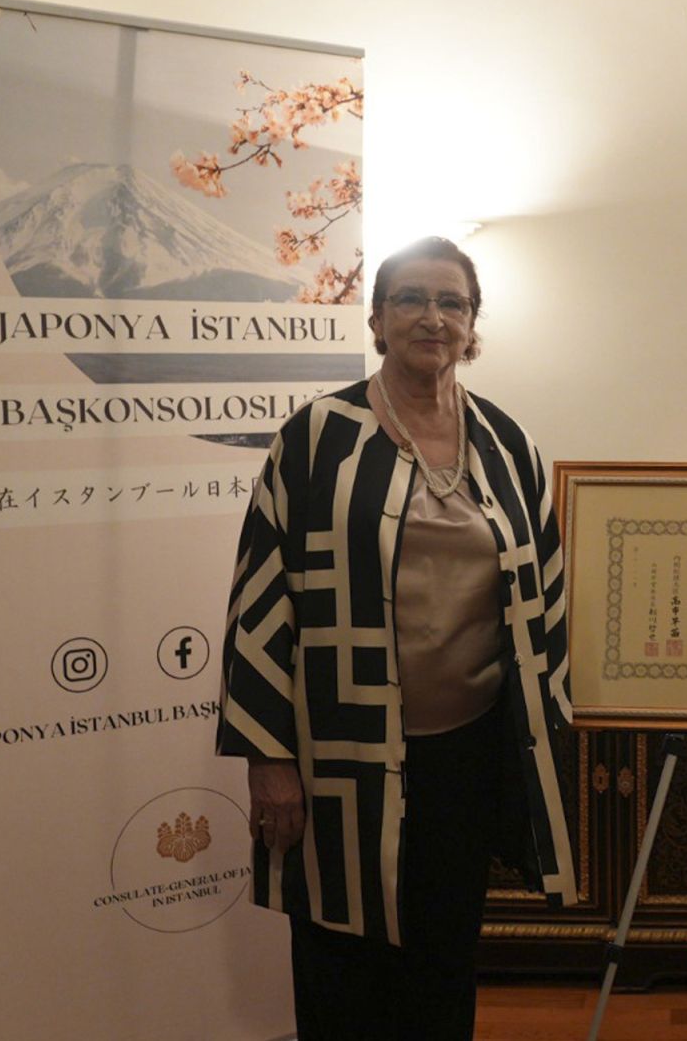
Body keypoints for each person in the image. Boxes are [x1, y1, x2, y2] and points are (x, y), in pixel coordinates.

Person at [217, 236, 576, 1039]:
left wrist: (541, 746)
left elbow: (546, 599)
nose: (432, 317)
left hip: (466, 755)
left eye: (452, 302)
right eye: (411, 299)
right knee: (339, 958)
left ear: (473, 324)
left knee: (443, 956)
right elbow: (259, 601)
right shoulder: (317, 438)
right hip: (338, 753)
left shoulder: (507, 444)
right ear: (378, 320)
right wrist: (268, 759)